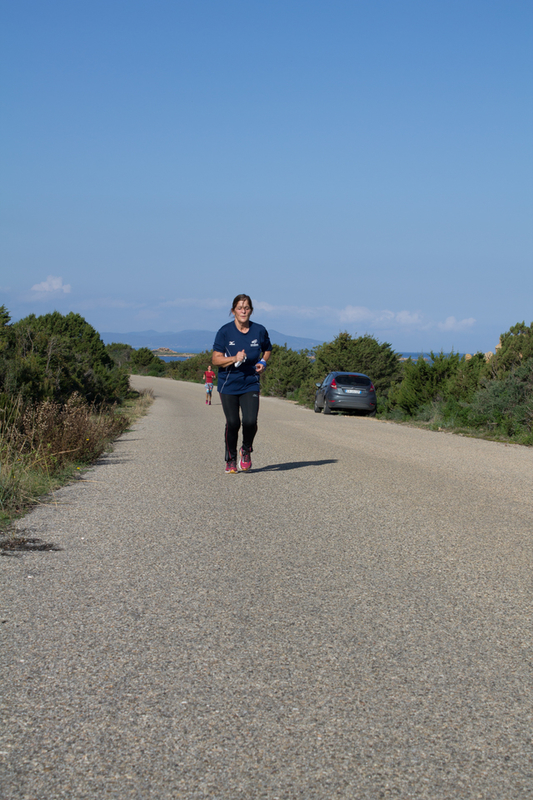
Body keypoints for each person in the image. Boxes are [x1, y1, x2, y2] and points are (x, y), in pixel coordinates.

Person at [212, 294, 272, 473]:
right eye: (239, 308)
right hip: (228, 384)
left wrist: (263, 362)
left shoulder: (259, 330)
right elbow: (215, 359)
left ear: (251, 311)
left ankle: (246, 449)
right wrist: (233, 358)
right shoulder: (225, 331)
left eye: (246, 308)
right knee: (233, 422)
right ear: (233, 311)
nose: (243, 311)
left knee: (250, 421)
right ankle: (230, 458)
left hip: (250, 383)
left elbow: (267, 349)